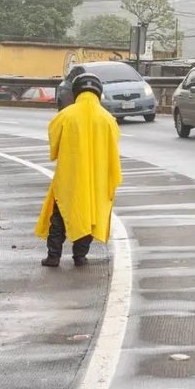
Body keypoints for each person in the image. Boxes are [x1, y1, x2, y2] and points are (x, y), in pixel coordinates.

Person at [35, 72, 122, 267]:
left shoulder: (66, 115)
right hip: (97, 180)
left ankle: (53, 256)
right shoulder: (108, 119)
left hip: (69, 178)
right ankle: (80, 256)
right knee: (89, 215)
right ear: (98, 93)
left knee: (60, 215)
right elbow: (114, 144)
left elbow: (54, 138)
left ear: (76, 92)